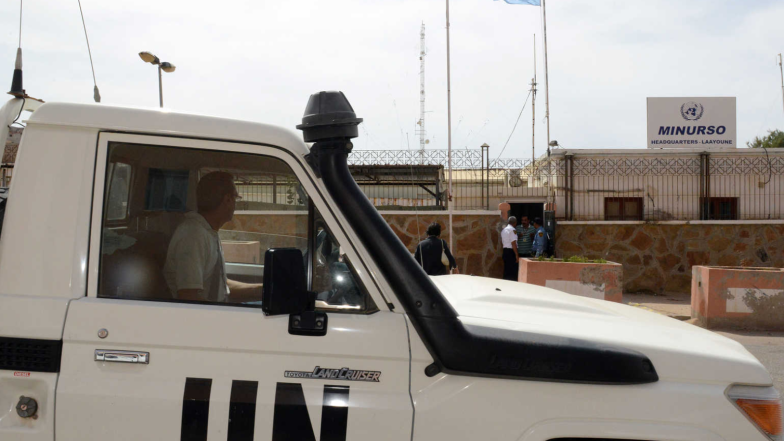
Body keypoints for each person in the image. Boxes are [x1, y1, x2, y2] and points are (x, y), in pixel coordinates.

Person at [164, 172, 263, 302]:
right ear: (227, 200)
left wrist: (263, 290)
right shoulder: (193, 236)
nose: (235, 204)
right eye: (236, 198)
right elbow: (189, 297)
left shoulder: (208, 232)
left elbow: (221, 288)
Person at [501, 216, 519, 281]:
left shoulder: (504, 230)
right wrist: (516, 255)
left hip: (505, 251)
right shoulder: (512, 230)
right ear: (515, 223)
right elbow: (513, 243)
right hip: (511, 252)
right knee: (512, 271)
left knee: (507, 270)